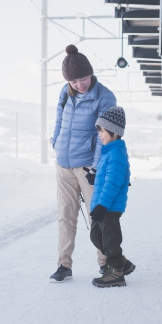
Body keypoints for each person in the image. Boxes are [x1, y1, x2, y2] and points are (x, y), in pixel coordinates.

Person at [49, 44, 116, 283]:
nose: (80, 85)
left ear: (91, 74)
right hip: (63, 165)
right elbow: (59, 119)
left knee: (99, 216)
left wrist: (97, 167)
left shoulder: (104, 97)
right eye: (75, 81)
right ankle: (63, 265)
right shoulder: (65, 93)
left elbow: (105, 136)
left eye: (84, 79)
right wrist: (55, 142)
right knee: (65, 216)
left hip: (88, 165)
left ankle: (107, 264)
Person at [89, 106, 135, 288]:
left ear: (114, 132)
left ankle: (116, 273)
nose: (99, 134)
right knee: (96, 236)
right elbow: (105, 178)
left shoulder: (116, 153)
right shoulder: (108, 151)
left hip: (109, 206)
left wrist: (102, 205)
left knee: (110, 238)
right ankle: (122, 263)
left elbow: (113, 183)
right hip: (102, 204)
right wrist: (94, 175)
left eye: (102, 130)